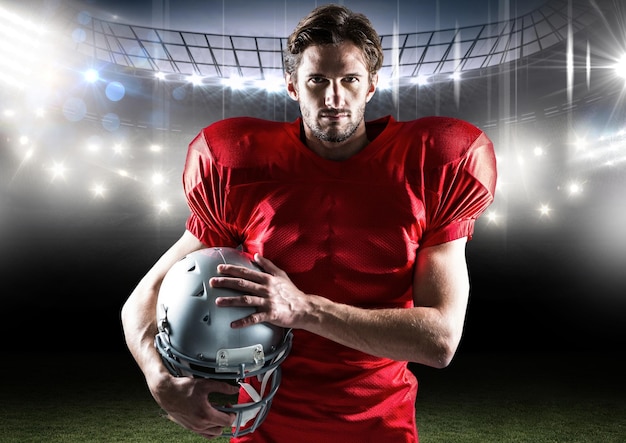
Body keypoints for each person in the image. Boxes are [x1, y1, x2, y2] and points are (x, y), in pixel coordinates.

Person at [121, 4, 497, 442]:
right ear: (293, 87)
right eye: (317, 80)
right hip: (264, 424)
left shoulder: (431, 164)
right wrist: (158, 377)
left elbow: (440, 341)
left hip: (379, 427)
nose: (334, 98)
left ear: (372, 85)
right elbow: (141, 299)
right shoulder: (240, 166)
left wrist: (304, 309)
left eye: (349, 80)